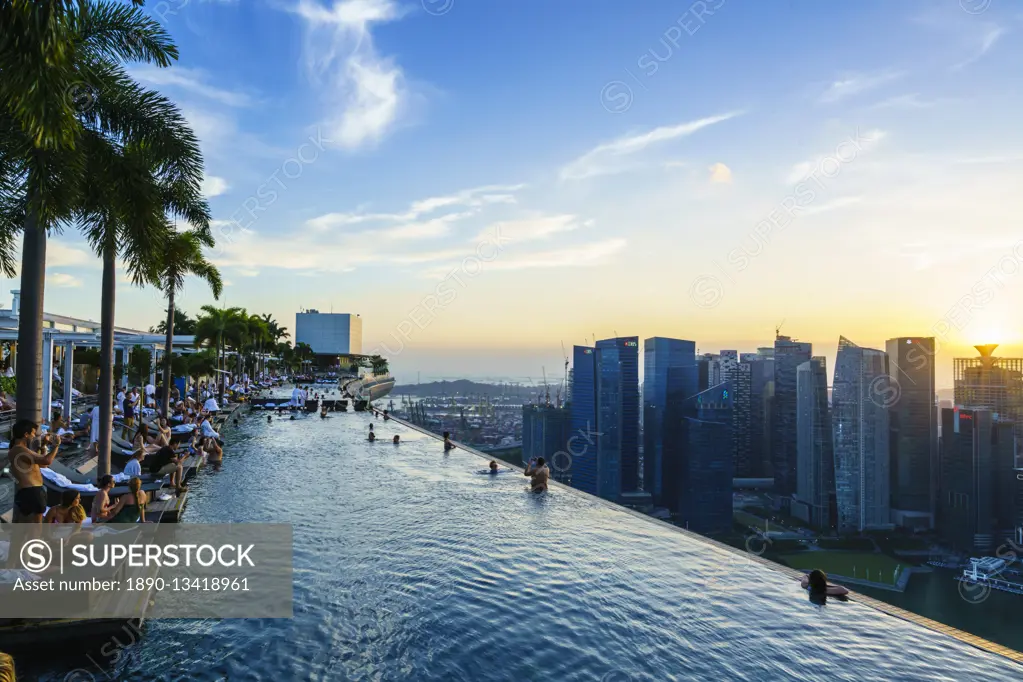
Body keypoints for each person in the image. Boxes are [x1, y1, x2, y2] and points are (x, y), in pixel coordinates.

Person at [9, 420, 59, 523]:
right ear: (26, 434)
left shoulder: (21, 449)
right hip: (32, 492)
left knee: (25, 527)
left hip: (31, 492)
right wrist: (56, 445)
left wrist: (44, 444)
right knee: (35, 529)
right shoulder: (19, 449)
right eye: (32, 433)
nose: (34, 436)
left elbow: (42, 464)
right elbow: (47, 460)